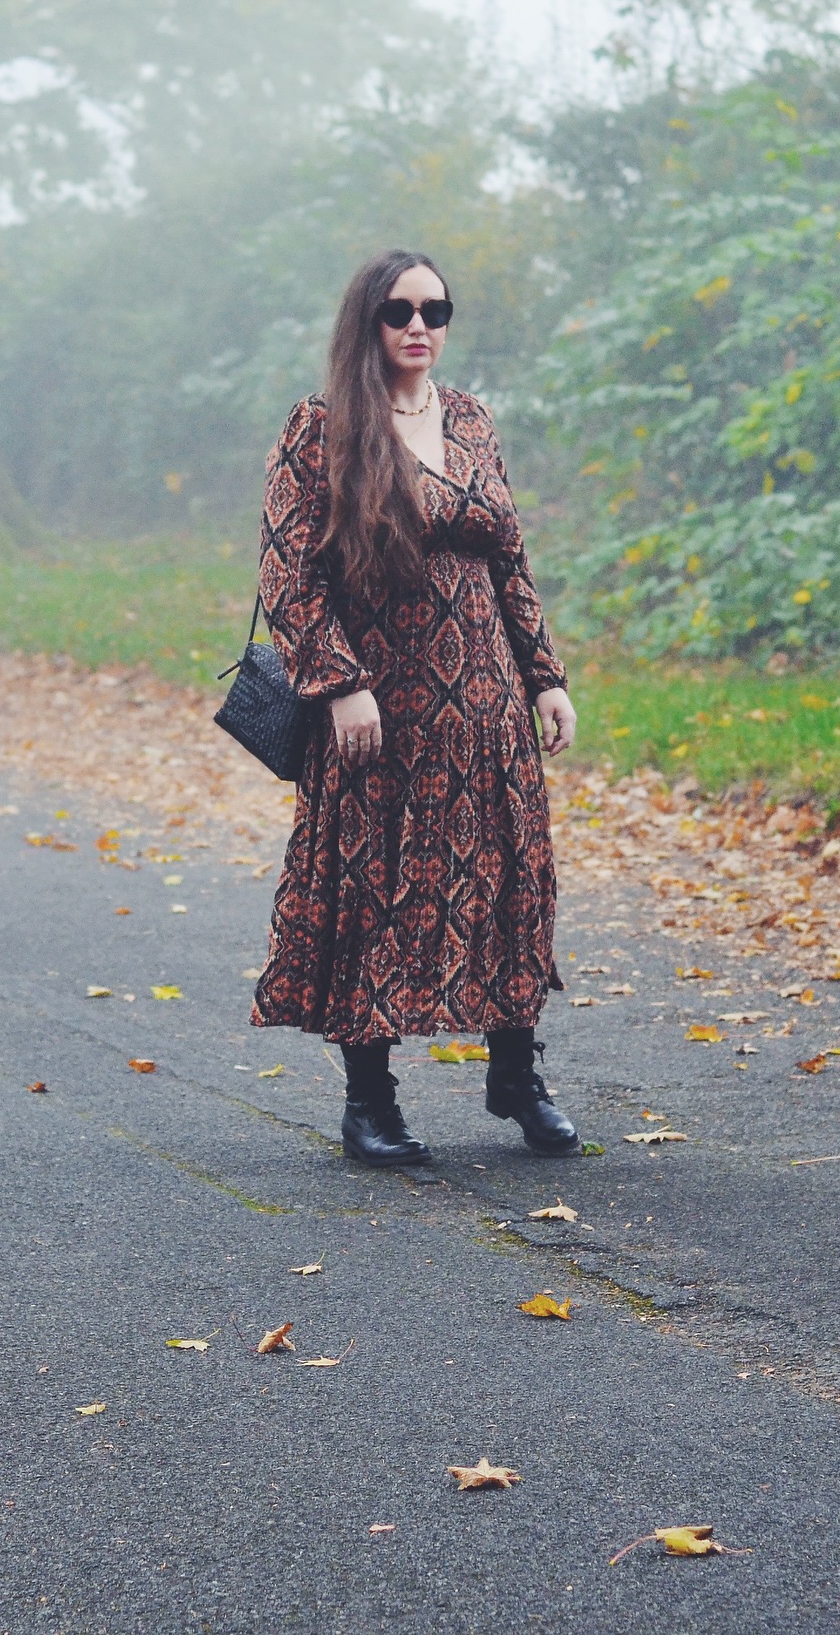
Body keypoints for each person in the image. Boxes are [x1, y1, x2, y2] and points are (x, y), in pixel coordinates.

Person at [250, 248, 579, 1167]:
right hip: (378, 708)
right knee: (376, 889)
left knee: (510, 883)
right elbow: (287, 572)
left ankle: (516, 1074)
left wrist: (545, 674)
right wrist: (339, 682)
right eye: (399, 311)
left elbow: (508, 560)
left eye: (436, 310)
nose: (419, 327)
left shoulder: (470, 417)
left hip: (487, 706)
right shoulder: (322, 426)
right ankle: (370, 1101)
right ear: (368, 320)